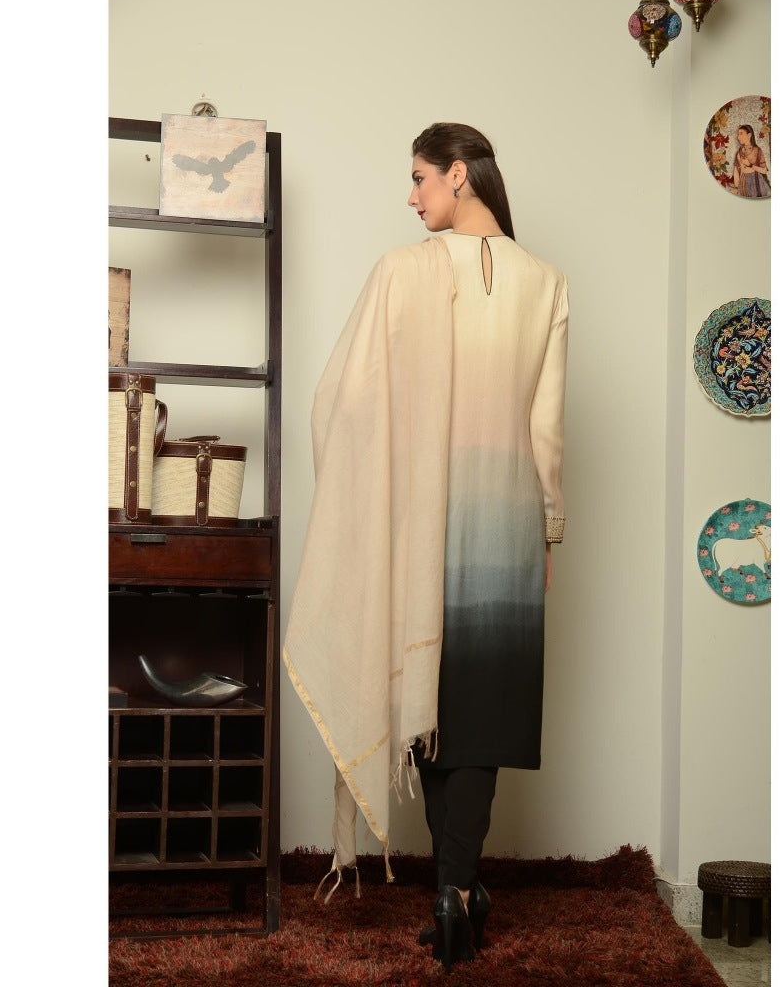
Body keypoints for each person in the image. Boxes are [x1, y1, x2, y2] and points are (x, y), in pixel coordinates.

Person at [282, 122, 568, 973]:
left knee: (428, 698)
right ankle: (459, 890)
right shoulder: (547, 283)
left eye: (418, 178)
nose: (410, 197)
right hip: (505, 520)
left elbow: (343, 399)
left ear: (458, 174)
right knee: (479, 710)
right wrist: (547, 529)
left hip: (417, 516)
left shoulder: (400, 271)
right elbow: (545, 432)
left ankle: (450, 893)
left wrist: (364, 490)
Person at [731, 124, 770, 198]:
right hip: (743, 184)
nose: (738, 137)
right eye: (738, 134)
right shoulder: (739, 152)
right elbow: (736, 171)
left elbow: (764, 171)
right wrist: (736, 187)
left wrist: (750, 165)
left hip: (756, 183)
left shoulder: (757, 150)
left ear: (749, 135)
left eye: (741, 134)